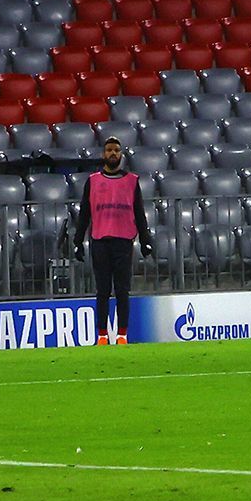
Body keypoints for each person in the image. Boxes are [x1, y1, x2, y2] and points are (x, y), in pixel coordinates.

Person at [68, 137, 153, 346]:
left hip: (124, 240)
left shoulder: (132, 181)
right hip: (100, 240)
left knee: (122, 290)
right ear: (103, 154)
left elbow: (139, 212)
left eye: (116, 150)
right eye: (109, 150)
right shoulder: (93, 180)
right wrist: (78, 241)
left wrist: (145, 239)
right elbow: (85, 213)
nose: (113, 153)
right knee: (103, 290)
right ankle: (102, 335)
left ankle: (122, 334)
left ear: (121, 154)